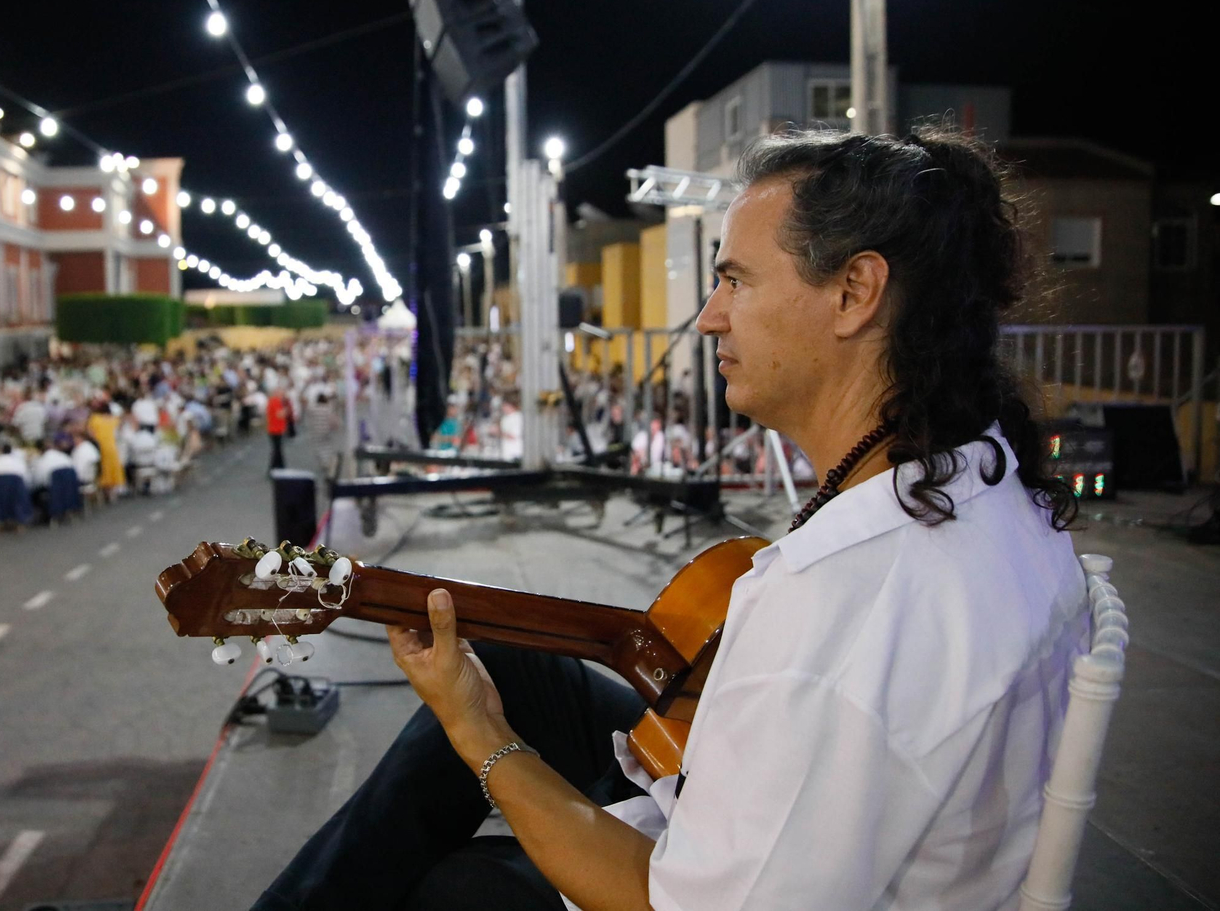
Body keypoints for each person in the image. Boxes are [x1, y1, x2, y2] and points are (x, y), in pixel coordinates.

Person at [255, 127, 1087, 911]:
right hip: (863, 829)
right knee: (518, 664)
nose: (708, 316)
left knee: (458, 886)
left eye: (737, 280)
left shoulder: (850, 606)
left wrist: (479, 735)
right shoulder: (972, 473)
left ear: (854, 292)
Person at [86, 399, 126, 495]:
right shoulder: (113, 419)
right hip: (112, 446)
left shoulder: (94, 418)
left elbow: (90, 432)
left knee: (104, 467)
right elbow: (121, 422)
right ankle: (112, 490)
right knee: (112, 466)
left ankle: (105, 490)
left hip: (101, 445)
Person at [265, 385, 292, 472]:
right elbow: (279, 414)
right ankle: (274, 467)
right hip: (275, 429)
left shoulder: (273, 401)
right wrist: (287, 410)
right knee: (277, 450)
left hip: (275, 429)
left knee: (278, 449)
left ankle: (279, 466)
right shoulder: (275, 401)